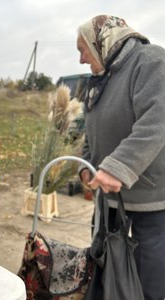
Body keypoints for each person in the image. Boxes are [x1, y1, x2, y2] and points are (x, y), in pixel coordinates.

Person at [77, 15, 165, 300]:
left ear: (100, 42)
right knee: (106, 273)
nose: (80, 59)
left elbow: (157, 120)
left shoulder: (150, 61)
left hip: (150, 202)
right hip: (109, 199)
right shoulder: (101, 79)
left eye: (82, 49)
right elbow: (90, 128)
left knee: (148, 283)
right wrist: (87, 164)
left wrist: (120, 166)